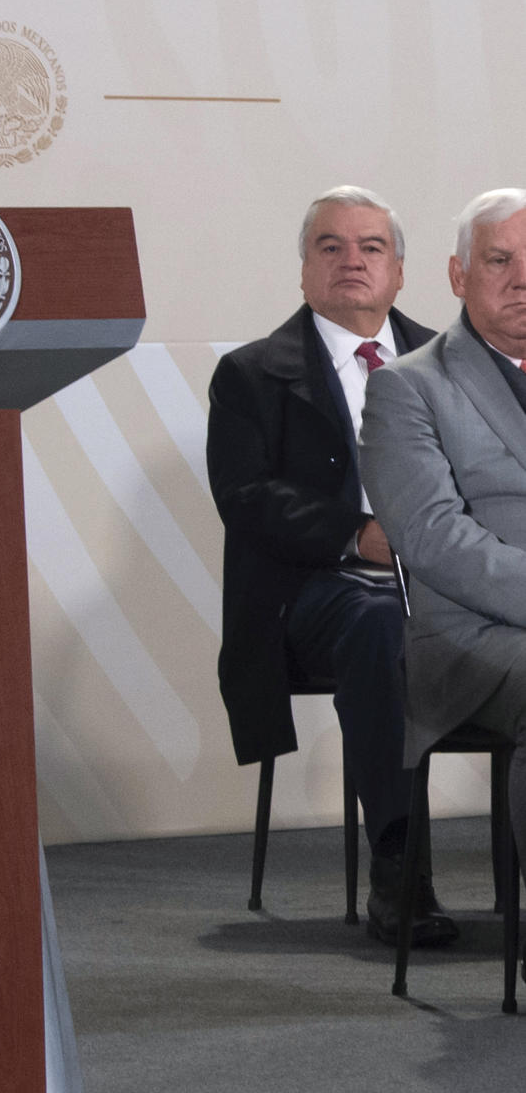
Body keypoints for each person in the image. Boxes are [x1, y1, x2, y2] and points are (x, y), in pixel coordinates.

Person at [206, 187, 456, 946]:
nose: (351, 261)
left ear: (400, 271)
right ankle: (399, 871)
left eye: (370, 247)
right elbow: (245, 497)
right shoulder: (251, 374)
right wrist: (358, 536)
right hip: (313, 598)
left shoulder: (454, 364)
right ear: (304, 271)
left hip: (445, 589)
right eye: (330, 246)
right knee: (381, 623)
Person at [361, 189, 526, 902]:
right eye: (499, 261)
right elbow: (432, 539)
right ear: (458, 276)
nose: (521, 279)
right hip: (470, 635)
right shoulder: (407, 388)